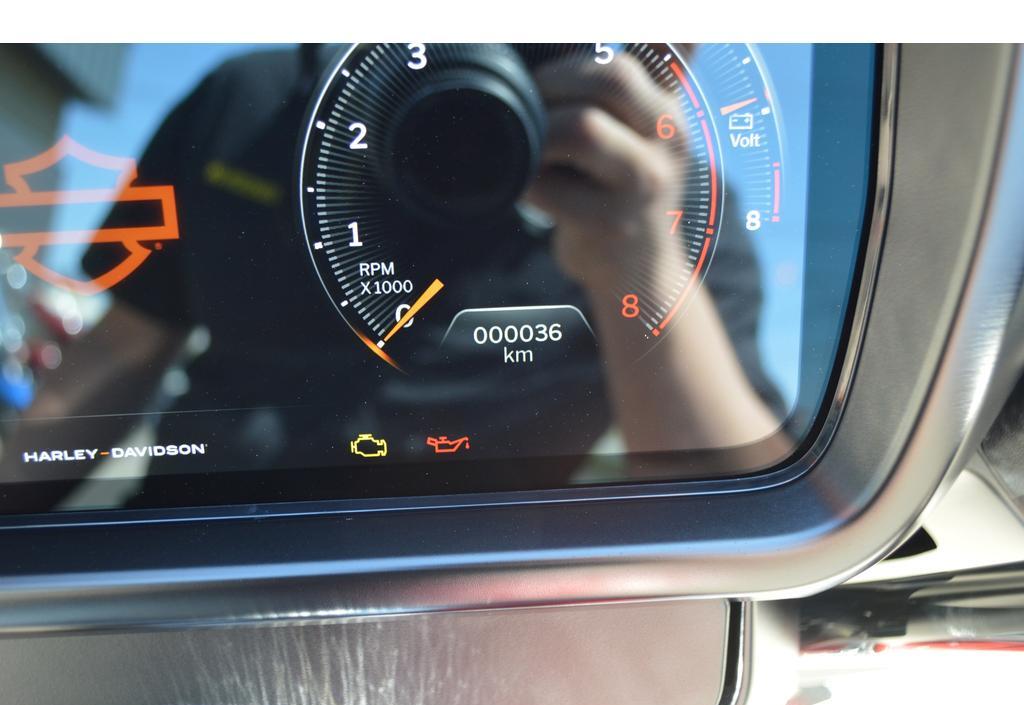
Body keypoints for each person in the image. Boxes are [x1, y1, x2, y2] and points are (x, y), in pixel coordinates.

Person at [0, 44, 785, 511]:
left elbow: (739, 504)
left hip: (483, 604)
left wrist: (637, 261)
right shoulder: (251, 102)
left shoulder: (663, 206)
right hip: (191, 544)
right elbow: (124, 346)